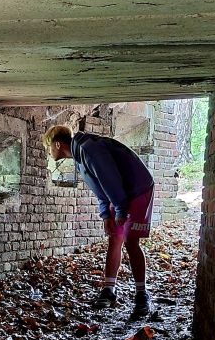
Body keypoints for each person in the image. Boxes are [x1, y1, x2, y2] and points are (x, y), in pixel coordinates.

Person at [43, 125, 156, 318]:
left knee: (130, 240)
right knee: (115, 237)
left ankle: (142, 295)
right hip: (120, 192)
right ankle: (109, 289)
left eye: (48, 147)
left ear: (58, 144)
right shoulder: (80, 156)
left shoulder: (88, 150)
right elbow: (101, 187)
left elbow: (109, 178)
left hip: (137, 188)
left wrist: (120, 209)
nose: (48, 152)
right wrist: (106, 214)